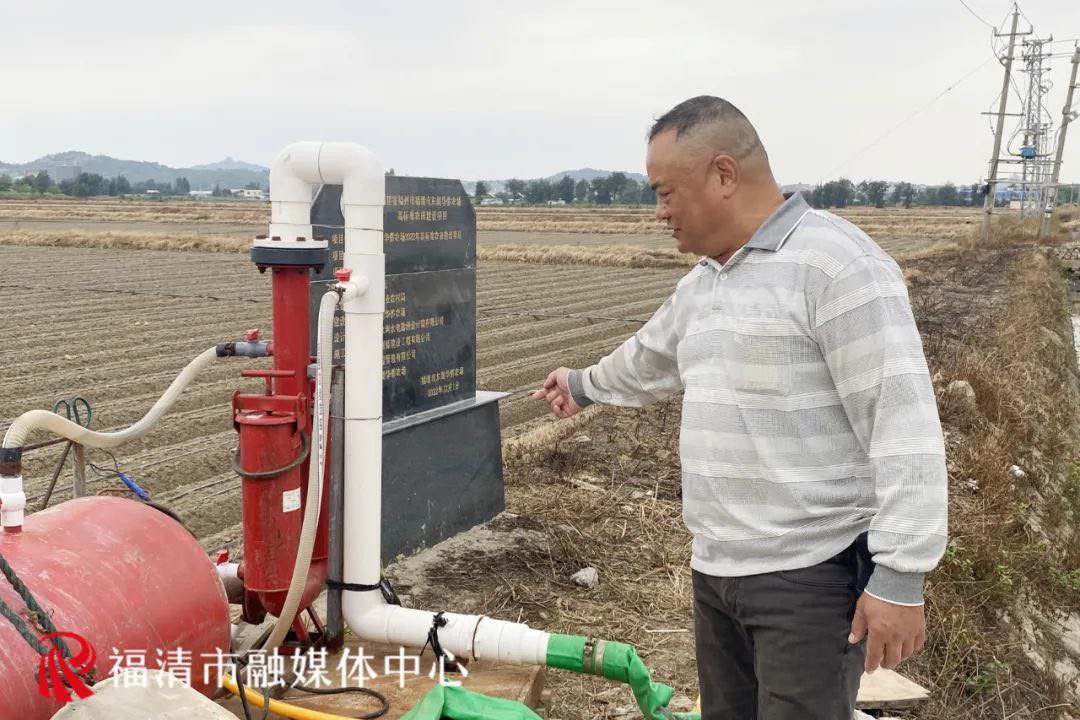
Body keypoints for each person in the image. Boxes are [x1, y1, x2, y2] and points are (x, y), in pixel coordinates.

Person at [532, 96, 947, 720]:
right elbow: (649, 358)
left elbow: (903, 424)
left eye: (665, 192)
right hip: (716, 569)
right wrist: (582, 383)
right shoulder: (705, 282)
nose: (659, 212)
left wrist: (900, 576)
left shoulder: (838, 266)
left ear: (724, 174)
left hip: (810, 577)